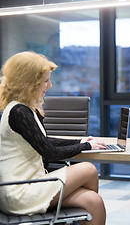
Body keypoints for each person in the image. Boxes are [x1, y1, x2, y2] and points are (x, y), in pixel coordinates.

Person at [0, 51, 106, 225]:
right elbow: (49, 152)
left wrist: (80, 141)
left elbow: (44, 140)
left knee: (93, 202)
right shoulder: (19, 112)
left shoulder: (23, 108)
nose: (49, 86)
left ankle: (71, 219)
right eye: (45, 81)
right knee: (88, 169)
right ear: (29, 84)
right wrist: (86, 147)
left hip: (30, 184)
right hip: (19, 191)